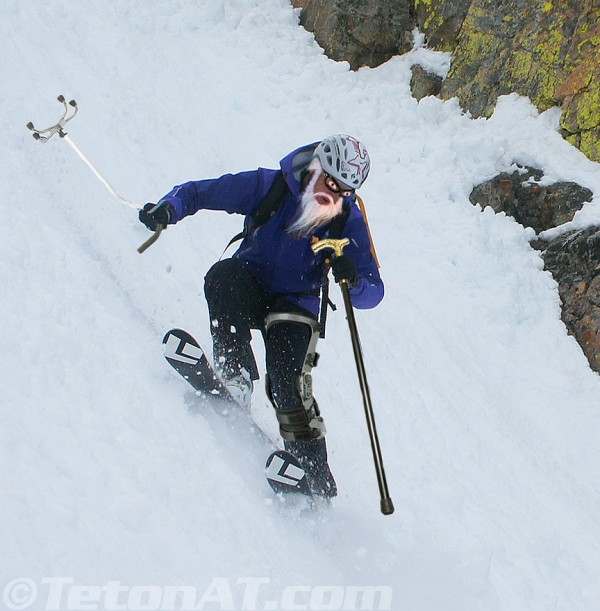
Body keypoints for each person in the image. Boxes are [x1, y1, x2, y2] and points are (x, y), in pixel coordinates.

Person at [140, 134, 384, 497]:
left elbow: (373, 292)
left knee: (287, 380)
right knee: (223, 277)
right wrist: (169, 209)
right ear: (316, 166)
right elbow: (202, 192)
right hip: (250, 283)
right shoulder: (271, 185)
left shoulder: (347, 220)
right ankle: (235, 374)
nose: (336, 195)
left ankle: (315, 474)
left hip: (296, 305)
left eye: (346, 191)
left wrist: (354, 280)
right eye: (332, 184)